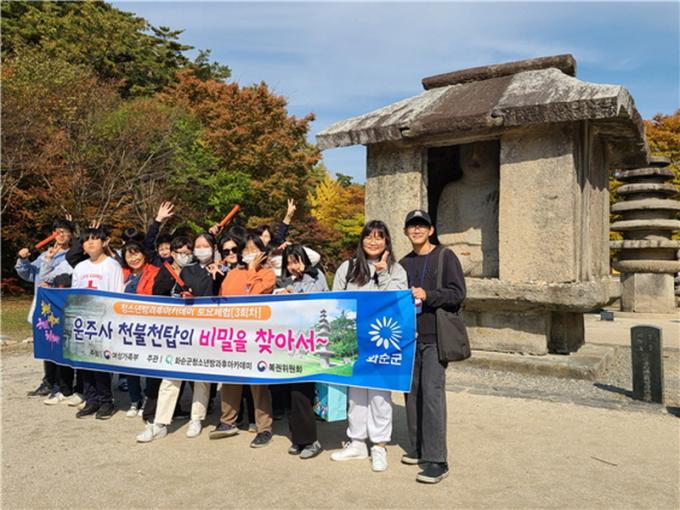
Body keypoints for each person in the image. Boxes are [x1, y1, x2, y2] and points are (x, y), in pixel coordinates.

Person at [330, 220, 408, 472]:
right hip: (353, 340)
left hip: (382, 340)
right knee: (355, 394)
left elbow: (398, 301)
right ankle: (356, 442)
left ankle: (379, 446)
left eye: (379, 237)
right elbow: (335, 300)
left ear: (387, 242)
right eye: (369, 236)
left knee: (379, 395)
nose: (373, 241)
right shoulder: (348, 267)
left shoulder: (397, 269)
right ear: (361, 240)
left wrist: (383, 273)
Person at [399, 209, 466, 484]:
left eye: (421, 226)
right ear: (406, 231)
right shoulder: (403, 263)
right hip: (409, 338)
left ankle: (438, 460)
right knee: (412, 393)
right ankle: (418, 448)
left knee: (432, 395)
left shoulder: (445, 256)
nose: (416, 230)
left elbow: (458, 293)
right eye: (412, 226)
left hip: (435, 336)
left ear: (431, 230)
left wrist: (429, 295)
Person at [137, 233, 222, 442]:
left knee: (201, 377)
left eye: (205, 246)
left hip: (206, 331)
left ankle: (196, 418)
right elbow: (176, 294)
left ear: (213, 248)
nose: (201, 249)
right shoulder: (187, 270)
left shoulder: (221, 270)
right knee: (171, 375)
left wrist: (219, 274)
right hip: (183, 331)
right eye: (198, 246)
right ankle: (160, 422)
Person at [210, 233, 276, 448]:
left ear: (262, 253)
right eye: (246, 250)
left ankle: (264, 428)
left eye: (254, 250)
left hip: (256, 335)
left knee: (258, 383)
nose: (249, 254)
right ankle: (228, 421)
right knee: (230, 377)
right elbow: (223, 300)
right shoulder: (232, 274)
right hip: (233, 333)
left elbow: (253, 294)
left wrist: (252, 270)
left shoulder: (267, 274)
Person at [278, 244, 328, 459]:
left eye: (296, 261)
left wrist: (295, 289)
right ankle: (298, 438)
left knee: (302, 393)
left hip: (310, 343)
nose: (293, 266)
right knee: (290, 393)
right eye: (288, 262)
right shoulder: (285, 281)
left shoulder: (316, 276)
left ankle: (311, 440)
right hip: (289, 343)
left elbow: (316, 300)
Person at [71, 226, 125, 419]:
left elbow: (117, 293)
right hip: (84, 322)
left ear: (104, 242)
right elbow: (74, 293)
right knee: (85, 364)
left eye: (95, 239)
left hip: (103, 322)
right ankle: (91, 399)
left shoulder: (112, 265)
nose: (90, 243)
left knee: (100, 363)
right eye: (86, 240)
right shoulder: (80, 267)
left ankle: (106, 401)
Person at [16, 219, 74, 398]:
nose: (60, 235)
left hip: (63, 307)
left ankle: (65, 385)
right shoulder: (44, 255)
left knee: (63, 346)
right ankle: (48, 382)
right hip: (44, 308)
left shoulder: (74, 256)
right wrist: (23, 259)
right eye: (57, 231)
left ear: (71, 234)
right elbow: (28, 274)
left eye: (64, 231)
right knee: (47, 344)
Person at [120, 240, 161, 417]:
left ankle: (148, 400)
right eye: (129, 255)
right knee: (130, 364)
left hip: (148, 326)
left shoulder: (154, 272)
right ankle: (134, 399)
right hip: (126, 326)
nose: (133, 258)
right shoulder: (122, 274)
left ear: (144, 254)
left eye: (136, 253)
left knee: (149, 364)